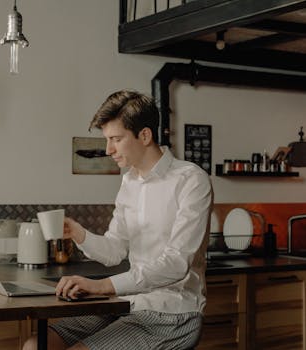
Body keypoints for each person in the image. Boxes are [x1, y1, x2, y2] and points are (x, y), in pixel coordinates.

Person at [23, 90, 213, 350]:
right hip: (126, 302)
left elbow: (177, 263)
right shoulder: (129, 182)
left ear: (144, 135)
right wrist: (79, 234)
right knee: (35, 346)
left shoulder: (191, 180)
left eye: (116, 139)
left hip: (170, 313)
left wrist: (102, 286)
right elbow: (115, 250)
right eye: (107, 139)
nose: (108, 149)